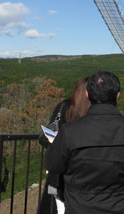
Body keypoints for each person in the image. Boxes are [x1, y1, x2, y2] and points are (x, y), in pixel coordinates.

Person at [45, 71, 124, 213]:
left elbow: (53, 164)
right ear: (118, 95)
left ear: (88, 94)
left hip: (79, 207)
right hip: (119, 206)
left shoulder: (70, 131)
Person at [38, 76, 91, 214]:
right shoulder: (93, 114)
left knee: (56, 204)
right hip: (83, 174)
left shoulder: (63, 107)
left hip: (59, 173)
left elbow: (50, 131)